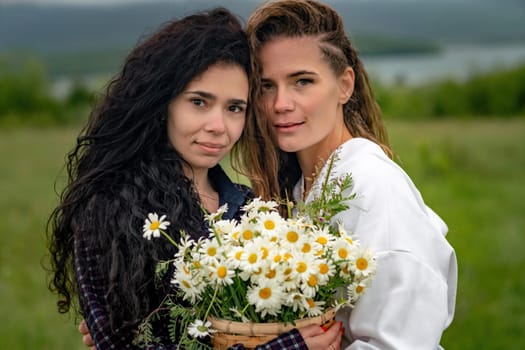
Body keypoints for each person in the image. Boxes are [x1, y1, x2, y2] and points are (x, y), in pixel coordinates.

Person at [48, 7, 341, 350]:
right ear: (163, 103)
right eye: (199, 102)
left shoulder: (249, 208)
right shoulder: (110, 209)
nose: (218, 126)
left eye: (234, 108)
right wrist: (287, 347)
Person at [243, 0, 458, 349]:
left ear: (345, 85)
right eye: (267, 86)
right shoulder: (299, 187)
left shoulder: (374, 187)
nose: (280, 103)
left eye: (302, 81)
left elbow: (400, 343)